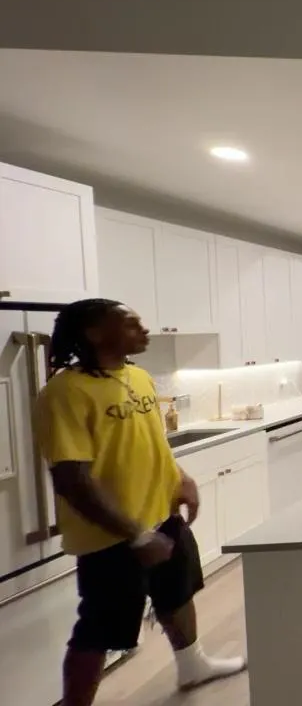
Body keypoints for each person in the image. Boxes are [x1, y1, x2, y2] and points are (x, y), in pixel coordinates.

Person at [35, 299, 246, 706]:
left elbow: (149, 442)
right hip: (112, 534)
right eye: (131, 324)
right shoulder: (64, 392)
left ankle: (192, 665)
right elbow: (71, 479)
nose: (144, 330)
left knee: (177, 593)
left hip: (161, 516)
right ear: (95, 333)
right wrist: (135, 535)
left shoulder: (139, 376)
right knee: (99, 628)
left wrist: (180, 477)